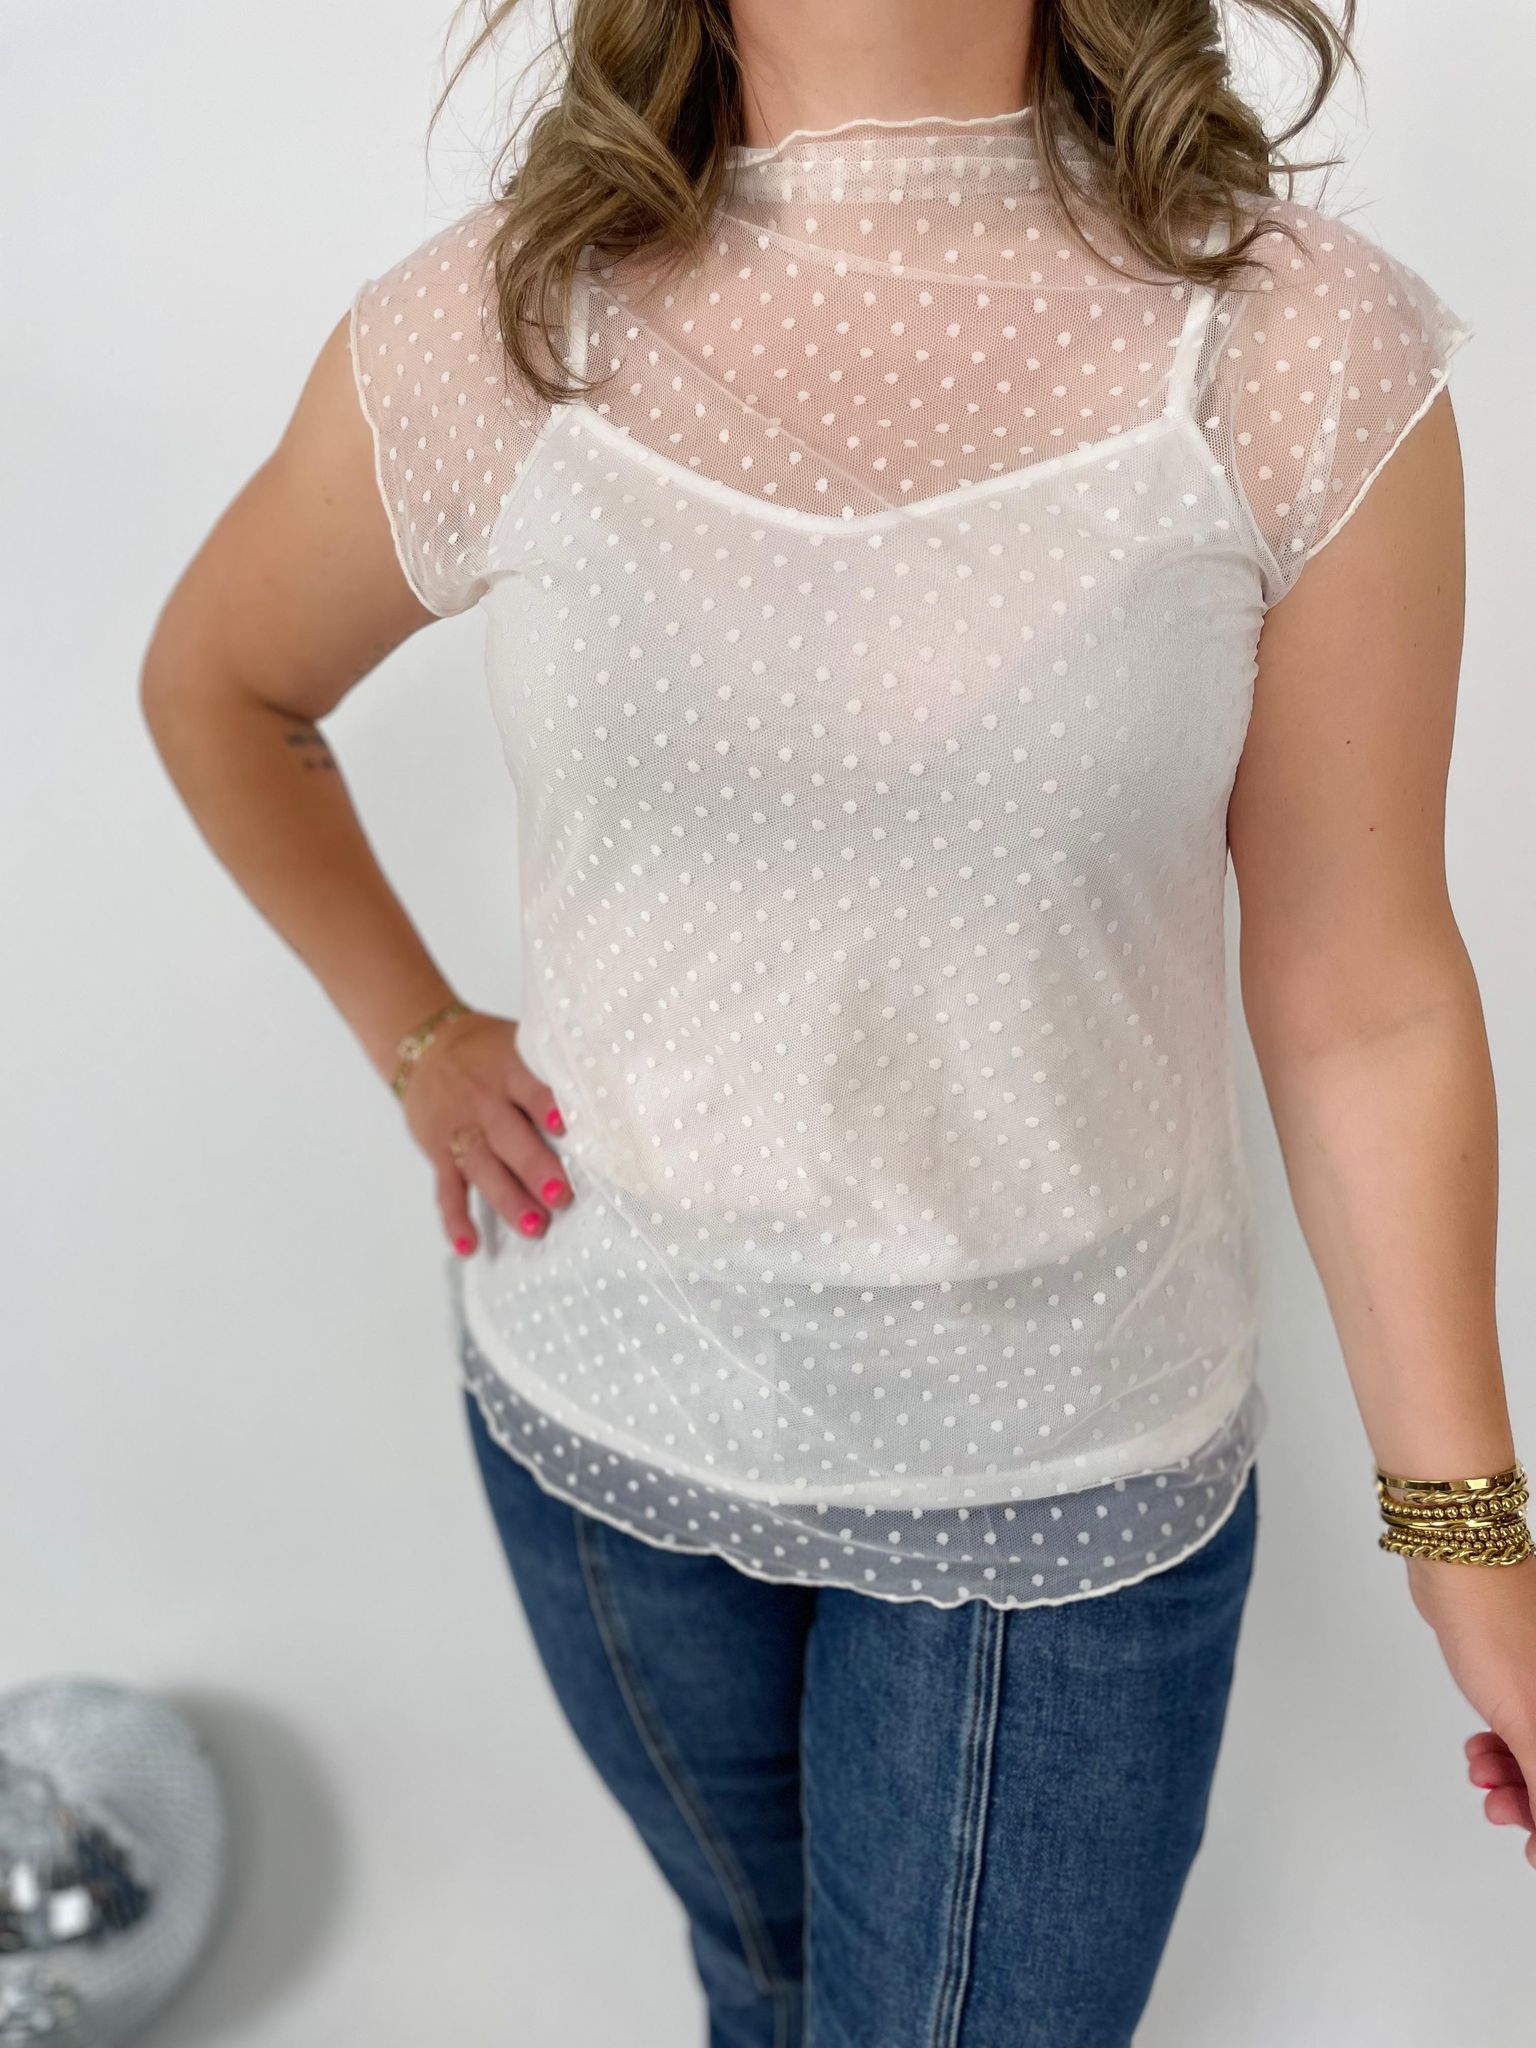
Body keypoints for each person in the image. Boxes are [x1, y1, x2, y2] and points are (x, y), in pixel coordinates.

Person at [139, 0, 1536, 2040]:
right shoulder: (505, 325)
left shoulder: (1292, 346)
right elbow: (222, 686)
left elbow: (1363, 999)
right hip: (607, 1423)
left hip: (1059, 1480)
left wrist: (1467, 1538)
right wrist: (418, 1032)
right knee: (765, 1982)